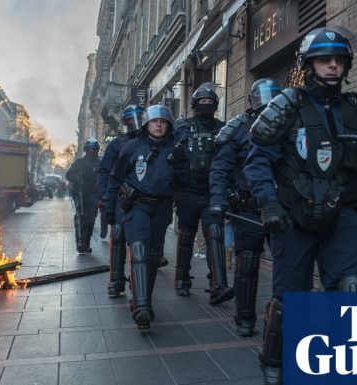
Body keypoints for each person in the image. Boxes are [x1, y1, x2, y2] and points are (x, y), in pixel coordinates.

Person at [244, 27, 357, 384]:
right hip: (293, 218)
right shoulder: (286, 106)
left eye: (339, 60)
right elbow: (257, 161)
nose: (333, 66)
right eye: (325, 60)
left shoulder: (356, 111)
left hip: (342, 217)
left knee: (352, 289)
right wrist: (269, 204)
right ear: (309, 65)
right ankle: (274, 359)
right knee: (291, 300)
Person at [209, 78, 283, 337]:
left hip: (283, 209)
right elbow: (220, 168)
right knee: (248, 262)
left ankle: (278, 319)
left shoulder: (290, 124)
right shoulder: (240, 128)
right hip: (250, 208)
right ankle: (245, 318)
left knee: (286, 266)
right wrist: (218, 199)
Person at [104, 105, 177, 330]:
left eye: (163, 122)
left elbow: (185, 180)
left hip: (162, 209)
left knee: (153, 256)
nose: (158, 125)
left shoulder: (175, 149)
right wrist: (109, 207)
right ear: (146, 125)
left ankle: (140, 299)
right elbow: (115, 178)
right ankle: (143, 308)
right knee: (139, 250)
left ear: (168, 125)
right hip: (136, 207)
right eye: (154, 121)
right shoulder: (132, 147)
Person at [168, 82, 234, 305]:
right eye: (202, 102)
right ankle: (181, 279)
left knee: (215, 234)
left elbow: (230, 160)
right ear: (195, 104)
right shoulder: (182, 128)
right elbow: (172, 158)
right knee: (185, 236)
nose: (206, 105)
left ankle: (218, 285)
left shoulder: (223, 129)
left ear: (215, 105)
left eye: (210, 102)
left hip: (211, 193)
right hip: (187, 192)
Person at [98, 105, 168, 298]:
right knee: (118, 233)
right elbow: (105, 171)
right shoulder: (118, 144)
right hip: (122, 196)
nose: (136, 124)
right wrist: (106, 197)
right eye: (132, 120)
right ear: (126, 123)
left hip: (145, 200)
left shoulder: (156, 142)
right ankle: (116, 279)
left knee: (149, 244)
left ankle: (141, 283)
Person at [66, 138, 101, 253]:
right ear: (86, 150)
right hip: (81, 195)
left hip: (94, 196)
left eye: (94, 149)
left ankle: (86, 242)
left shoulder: (100, 163)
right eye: (90, 149)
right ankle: (80, 242)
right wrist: (79, 179)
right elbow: (69, 175)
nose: (92, 152)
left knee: (91, 219)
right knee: (81, 217)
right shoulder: (79, 163)